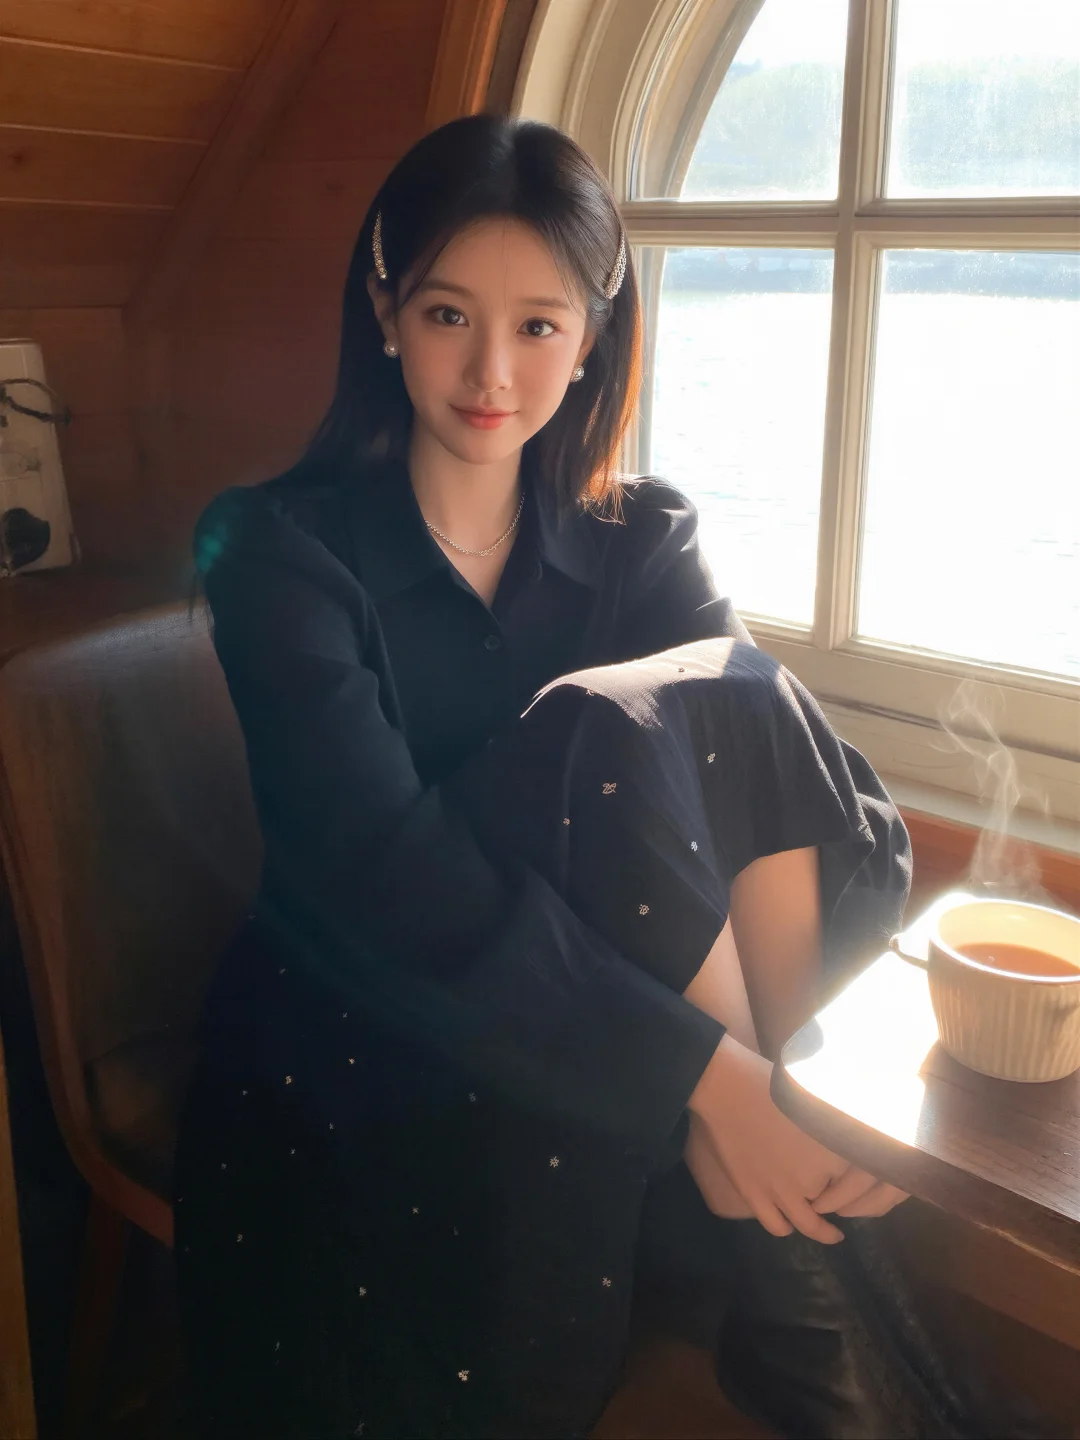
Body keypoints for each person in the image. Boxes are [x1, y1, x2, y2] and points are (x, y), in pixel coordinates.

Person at [172, 114, 1020, 1440]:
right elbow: (379, 880)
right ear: (385, 310)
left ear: (592, 339)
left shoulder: (644, 537)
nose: (491, 372)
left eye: (538, 326)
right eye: (449, 315)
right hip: (357, 1015)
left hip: (610, 1008)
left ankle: (805, 1293)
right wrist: (708, 1077)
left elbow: (773, 766)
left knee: (714, 705)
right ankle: (835, 1347)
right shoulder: (278, 551)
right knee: (608, 738)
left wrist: (772, 1080)